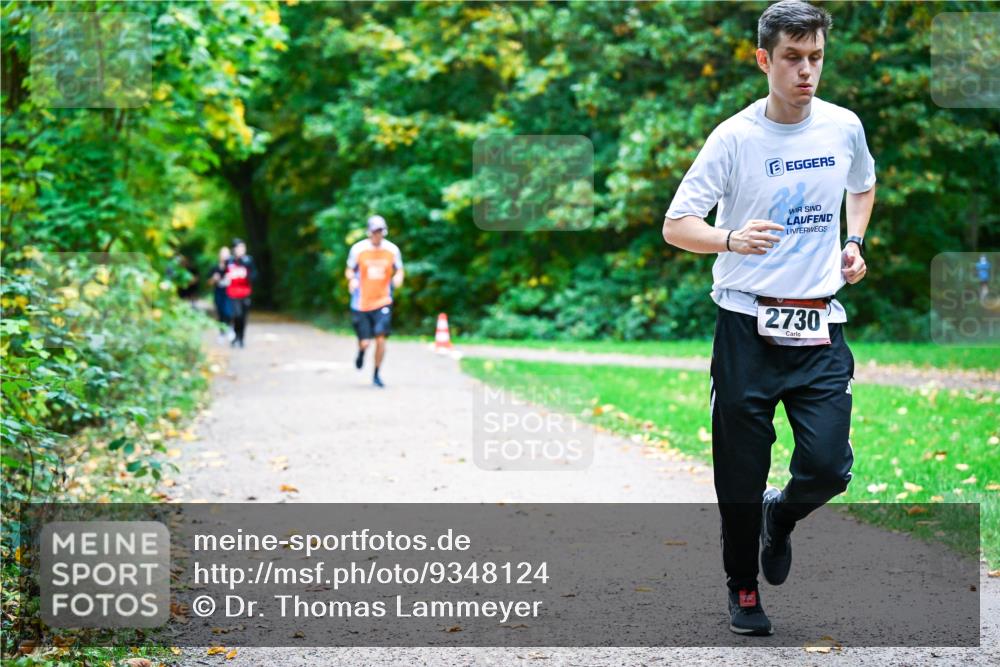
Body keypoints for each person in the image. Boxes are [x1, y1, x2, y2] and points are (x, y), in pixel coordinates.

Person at [662, 0, 876, 636]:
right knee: (740, 474)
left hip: (820, 327)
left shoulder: (842, 127)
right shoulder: (734, 138)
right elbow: (677, 226)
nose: (806, 71)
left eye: (815, 58)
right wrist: (729, 240)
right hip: (745, 329)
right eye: (792, 58)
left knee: (828, 467)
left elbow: (861, 185)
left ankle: (779, 519)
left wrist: (855, 242)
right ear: (764, 60)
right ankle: (744, 588)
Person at [345, 215, 404, 387]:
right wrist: (352, 280)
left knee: (381, 338)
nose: (378, 235)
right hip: (361, 303)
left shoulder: (392, 250)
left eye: (381, 231)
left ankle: (376, 374)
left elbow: (399, 269)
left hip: (382, 301)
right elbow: (349, 270)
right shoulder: (358, 249)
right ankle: (361, 352)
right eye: (375, 232)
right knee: (365, 342)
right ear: (369, 232)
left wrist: (398, 278)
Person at [225, 239, 257, 348]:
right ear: (234, 249)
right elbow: (223, 273)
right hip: (233, 293)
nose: (241, 250)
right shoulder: (229, 261)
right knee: (237, 315)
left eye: (243, 248)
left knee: (243, 316)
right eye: (239, 248)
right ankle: (236, 335)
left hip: (245, 292)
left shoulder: (248, 260)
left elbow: (254, 275)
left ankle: (241, 338)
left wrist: (247, 275)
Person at [207, 246, 233, 344]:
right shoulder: (215, 267)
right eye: (223, 254)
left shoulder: (231, 267)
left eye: (226, 254)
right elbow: (208, 283)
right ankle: (222, 333)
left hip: (229, 292)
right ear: (219, 255)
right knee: (220, 312)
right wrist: (214, 279)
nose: (224, 256)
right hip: (218, 292)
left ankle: (230, 328)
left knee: (228, 311)